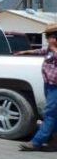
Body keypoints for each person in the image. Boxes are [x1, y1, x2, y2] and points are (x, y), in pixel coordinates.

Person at [15, 23, 57, 151]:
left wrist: (54, 48)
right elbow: (41, 51)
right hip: (49, 84)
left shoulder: (54, 49)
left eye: (49, 36)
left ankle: (36, 142)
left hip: (55, 86)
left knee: (49, 113)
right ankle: (52, 137)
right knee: (53, 113)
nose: (47, 39)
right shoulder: (50, 50)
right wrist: (25, 52)